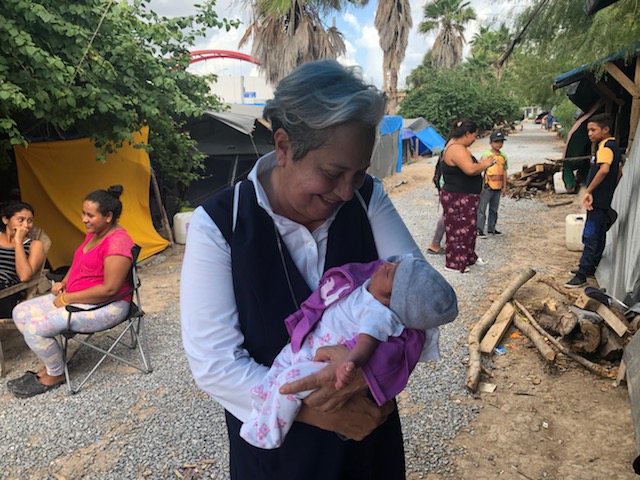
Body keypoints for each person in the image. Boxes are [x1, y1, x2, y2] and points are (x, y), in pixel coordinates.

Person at [180, 60, 457, 479]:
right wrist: (319, 412)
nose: (347, 190)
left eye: (359, 172)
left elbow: (422, 303)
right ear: (284, 146)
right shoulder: (220, 223)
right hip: (279, 457)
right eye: (332, 173)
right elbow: (215, 363)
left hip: (369, 439)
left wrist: (368, 374)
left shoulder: (368, 200)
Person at [239, 256, 457, 449]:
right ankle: (263, 401)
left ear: (391, 299)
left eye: (391, 272)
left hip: (323, 359)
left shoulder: (378, 314)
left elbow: (365, 343)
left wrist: (351, 363)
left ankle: (269, 434)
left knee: (289, 381)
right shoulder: (368, 288)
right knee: (281, 363)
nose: (386, 264)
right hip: (309, 345)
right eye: (395, 263)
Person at [6, 185, 135, 398]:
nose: (84, 219)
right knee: (20, 312)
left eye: (90, 215)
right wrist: (65, 282)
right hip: (77, 297)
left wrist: (68, 297)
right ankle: (54, 363)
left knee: (35, 328)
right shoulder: (95, 233)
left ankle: (56, 374)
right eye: (83, 213)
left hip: (108, 305)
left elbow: (109, 289)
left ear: (108, 217)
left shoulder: (117, 243)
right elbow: (79, 261)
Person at [565, 113, 622, 288]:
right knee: (599, 233)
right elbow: (619, 172)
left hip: (596, 200)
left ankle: (582, 274)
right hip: (603, 198)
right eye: (588, 130)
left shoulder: (605, 147)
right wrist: (610, 189)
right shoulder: (614, 146)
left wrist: (589, 190)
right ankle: (591, 265)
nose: (590, 133)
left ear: (605, 130)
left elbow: (604, 170)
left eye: (593, 130)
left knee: (590, 235)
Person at [440, 119, 493, 273]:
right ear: (467, 133)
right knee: (459, 230)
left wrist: (481, 164)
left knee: (469, 229)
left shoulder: (458, 146)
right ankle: (454, 264)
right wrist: (485, 164)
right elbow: (470, 169)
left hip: (464, 195)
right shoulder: (456, 148)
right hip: (458, 197)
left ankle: (468, 257)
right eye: (474, 136)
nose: (474, 139)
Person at [0, 202, 46, 317]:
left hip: (8, 291)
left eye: (30, 221)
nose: (26, 225)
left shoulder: (35, 245)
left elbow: (24, 276)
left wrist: (18, 242)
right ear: (6, 220)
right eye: (21, 220)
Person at [477, 131, 509, 236]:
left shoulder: (503, 156)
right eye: (496, 142)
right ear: (491, 143)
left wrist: (504, 187)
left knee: (494, 209)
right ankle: (479, 229)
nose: (499, 144)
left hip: (498, 186)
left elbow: (504, 171)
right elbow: (480, 169)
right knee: (482, 208)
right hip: (487, 186)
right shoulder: (486, 155)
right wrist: (480, 186)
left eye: (501, 142)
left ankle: (492, 228)